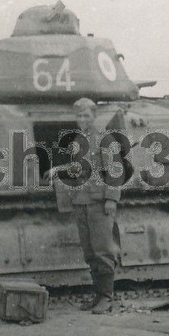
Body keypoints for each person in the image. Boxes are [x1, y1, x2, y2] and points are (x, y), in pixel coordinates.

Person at [62, 97, 122, 314]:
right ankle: (98, 296)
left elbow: (115, 169)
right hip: (81, 201)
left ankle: (107, 297)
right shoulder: (78, 139)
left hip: (99, 202)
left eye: (86, 115)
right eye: (79, 116)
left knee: (103, 250)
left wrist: (111, 199)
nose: (82, 119)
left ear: (94, 116)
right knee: (89, 252)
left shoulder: (104, 138)